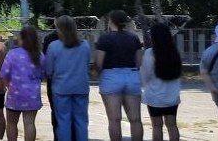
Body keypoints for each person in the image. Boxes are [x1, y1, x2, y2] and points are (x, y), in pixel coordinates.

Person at [95, 10, 144, 141]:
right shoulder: (134, 38)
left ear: (111, 21)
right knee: (135, 119)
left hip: (111, 76)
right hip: (131, 75)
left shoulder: (104, 38)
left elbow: (99, 63)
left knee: (114, 119)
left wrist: (99, 73)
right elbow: (139, 62)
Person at [45, 15, 91, 141]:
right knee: (81, 121)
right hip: (81, 87)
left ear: (59, 29)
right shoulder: (85, 45)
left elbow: (49, 70)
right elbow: (86, 64)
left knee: (63, 121)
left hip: (61, 88)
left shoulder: (53, 46)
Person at [0, 25, 43, 141]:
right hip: (32, 95)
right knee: (30, 123)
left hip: (15, 94)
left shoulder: (12, 54)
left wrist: (8, 86)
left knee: (11, 123)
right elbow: (43, 75)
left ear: (21, 38)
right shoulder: (39, 55)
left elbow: (4, 74)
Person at [141, 24, 182, 141]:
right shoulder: (175, 53)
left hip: (154, 96)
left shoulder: (149, 53)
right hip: (172, 95)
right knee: (172, 125)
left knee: (156, 126)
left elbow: (145, 76)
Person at [43, 27, 62, 141]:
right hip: (75, 83)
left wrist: (47, 75)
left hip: (54, 80)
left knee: (55, 111)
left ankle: (57, 137)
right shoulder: (80, 42)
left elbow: (46, 62)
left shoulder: (50, 40)